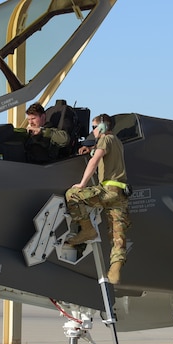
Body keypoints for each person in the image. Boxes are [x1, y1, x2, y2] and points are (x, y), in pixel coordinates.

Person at [65, 113, 130, 284]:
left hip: (107, 191)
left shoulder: (104, 139)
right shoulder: (116, 141)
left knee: (72, 195)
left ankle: (87, 229)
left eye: (94, 127)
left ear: (102, 127)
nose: (92, 131)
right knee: (118, 234)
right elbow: (105, 155)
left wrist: (82, 183)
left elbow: (94, 162)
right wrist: (91, 150)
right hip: (121, 194)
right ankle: (115, 268)